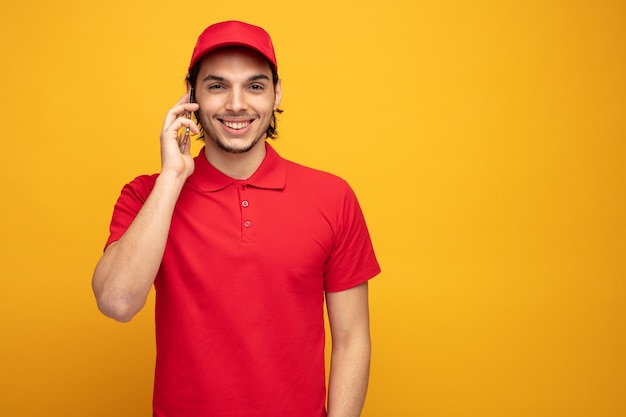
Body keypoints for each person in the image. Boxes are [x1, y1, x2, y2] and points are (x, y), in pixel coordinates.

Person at [92, 20, 380, 417]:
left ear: (277, 94)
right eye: (217, 86)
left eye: (255, 86)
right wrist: (172, 176)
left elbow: (351, 337)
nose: (236, 103)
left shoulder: (333, 197)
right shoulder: (147, 196)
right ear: (191, 96)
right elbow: (117, 302)